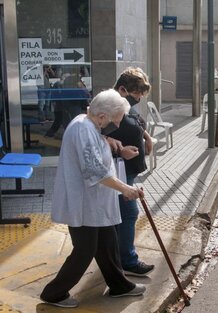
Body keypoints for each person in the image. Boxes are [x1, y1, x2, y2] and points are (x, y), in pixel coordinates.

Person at [40, 89, 146, 308]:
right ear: (102, 117)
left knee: (107, 243)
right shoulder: (82, 129)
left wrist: (113, 145)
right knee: (85, 249)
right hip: (83, 203)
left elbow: (95, 152)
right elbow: (94, 170)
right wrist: (126, 189)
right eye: (115, 121)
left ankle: (119, 286)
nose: (116, 125)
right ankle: (53, 293)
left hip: (94, 202)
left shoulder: (88, 124)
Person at [107, 67, 154, 277]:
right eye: (137, 94)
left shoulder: (123, 104)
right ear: (123, 89)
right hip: (118, 169)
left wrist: (146, 136)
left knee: (122, 215)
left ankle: (118, 257)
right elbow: (93, 132)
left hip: (128, 169)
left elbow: (132, 118)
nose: (140, 98)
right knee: (128, 213)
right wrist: (117, 147)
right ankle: (127, 260)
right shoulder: (108, 105)